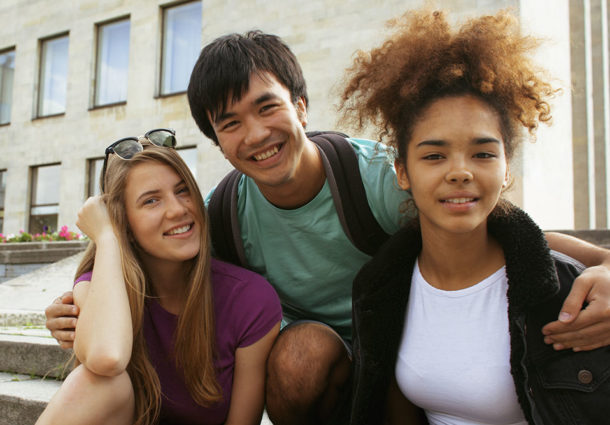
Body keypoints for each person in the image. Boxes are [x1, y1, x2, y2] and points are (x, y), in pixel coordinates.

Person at [46, 31, 610, 425]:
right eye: (231, 124)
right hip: (321, 366)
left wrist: (603, 264)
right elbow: (159, 250)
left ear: (301, 106)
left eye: (268, 108)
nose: (257, 134)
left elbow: (495, 222)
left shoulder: (375, 179)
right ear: (218, 143)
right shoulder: (221, 212)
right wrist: (81, 301)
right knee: (301, 355)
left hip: (407, 341)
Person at [342, 9, 610, 425]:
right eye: (434, 155)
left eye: (483, 153)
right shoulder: (380, 289)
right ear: (402, 173)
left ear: (507, 171)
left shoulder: (566, 289)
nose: (460, 171)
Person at [37, 132, 281, 425]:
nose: (178, 210)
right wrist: (106, 235)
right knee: (101, 382)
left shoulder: (249, 299)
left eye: (182, 191)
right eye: (151, 200)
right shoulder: (99, 284)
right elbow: (107, 357)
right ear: (123, 222)